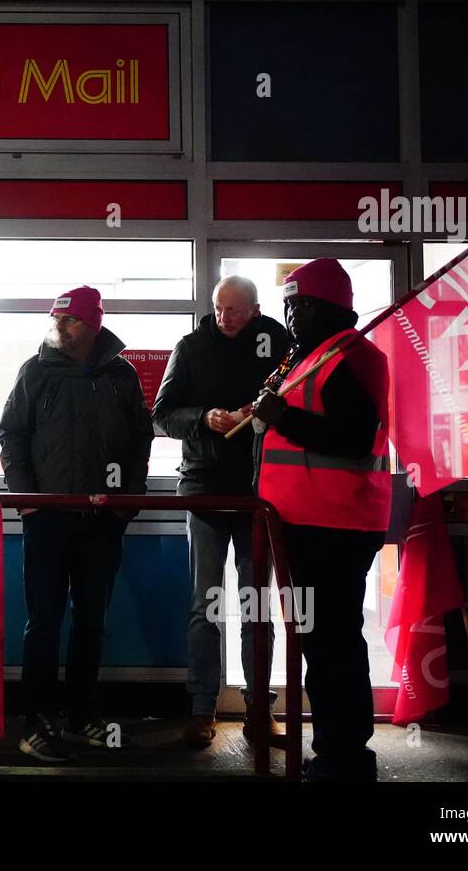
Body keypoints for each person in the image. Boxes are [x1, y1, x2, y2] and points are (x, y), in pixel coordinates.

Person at [0, 285, 154, 762]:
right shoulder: (35, 372)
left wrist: (126, 504)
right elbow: (12, 435)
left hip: (101, 522)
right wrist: (29, 502)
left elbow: (138, 442)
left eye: (71, 320)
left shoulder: (121, 375)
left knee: (92, 621)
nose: (60, 327)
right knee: (43, 621)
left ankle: (83, 714)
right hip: (46, 520)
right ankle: (36, 719)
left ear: (94, 324)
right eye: (56, 319)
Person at [250, 258, 391, 782]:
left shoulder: (355, 357)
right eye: (288, 306)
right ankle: (335, 751)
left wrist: (281, 415)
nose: (291, 317)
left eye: (301, 306)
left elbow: (355, 440)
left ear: (331, 307)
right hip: (300, 524)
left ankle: (346, 759)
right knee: (319, 641)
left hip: (335, 527)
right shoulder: (305, 358)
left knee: (333, 643)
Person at [152, 276, 290, 750]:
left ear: (254, 309)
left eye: (233, 310)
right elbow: (161, 415)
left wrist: (268, 413)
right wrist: (203, 418)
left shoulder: (281, 343)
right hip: (205, 490)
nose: (223, 318)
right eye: (217, 309)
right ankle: (201, 708)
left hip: (260, 494)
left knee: (257, 609)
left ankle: (258, 710)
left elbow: (299, 408)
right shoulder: (190, 347)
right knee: (204, 607)